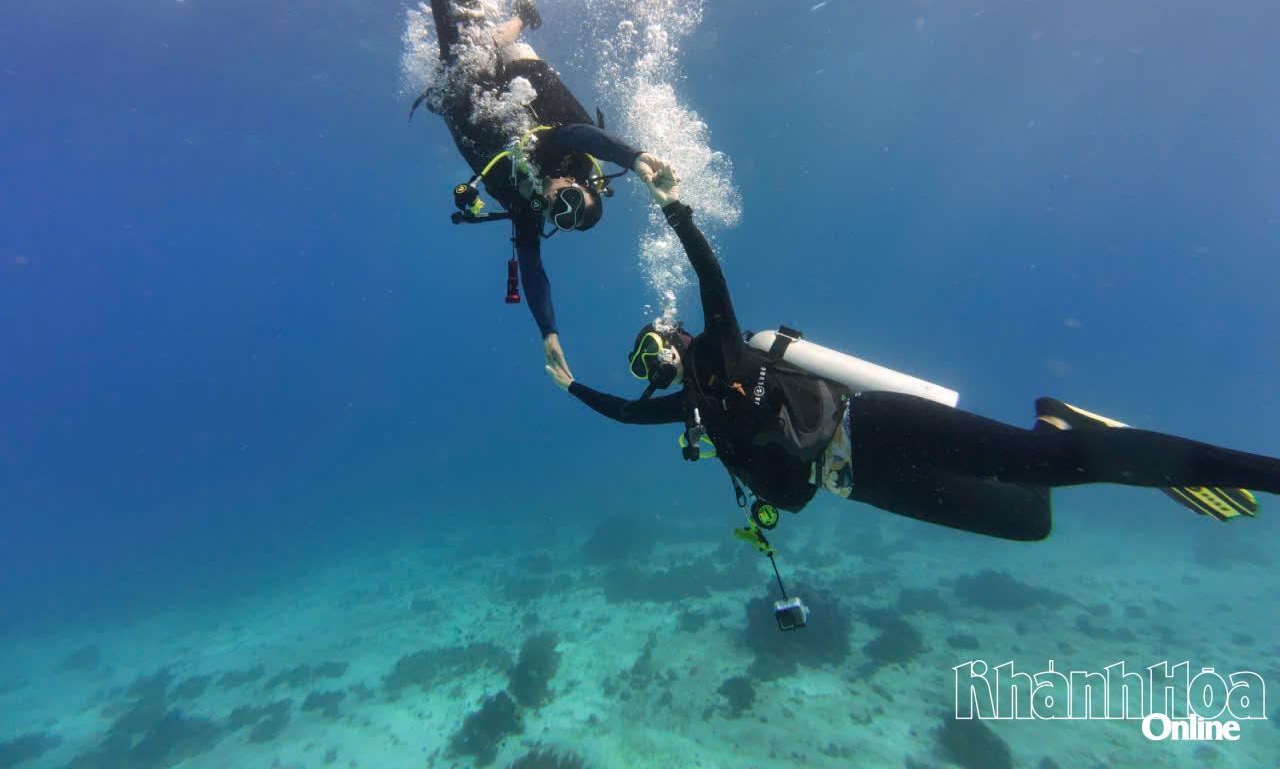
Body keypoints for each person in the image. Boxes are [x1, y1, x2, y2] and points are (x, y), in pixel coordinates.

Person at [545, 171, 1278, 541]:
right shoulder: (694, 410)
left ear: (675, 337)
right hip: (860, 484)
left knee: (1042, 468)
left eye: (650, 351)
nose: (653, 370)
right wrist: (574, 384)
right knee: (1028, 523)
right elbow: (621, 415)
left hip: (874, 429)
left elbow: (710, 279)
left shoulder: (725, 349)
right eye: (644, 367)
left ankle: (1259, 473)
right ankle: (1057, 421)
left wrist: (676, 211)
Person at [417, 0, 672, 377]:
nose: (552, 201)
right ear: (580, 183)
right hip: (490, 74)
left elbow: (533, 266)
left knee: (459, 10)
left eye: (560, 213)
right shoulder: (565, 153)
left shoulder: (533, 209)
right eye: (568, 199)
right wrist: (633, 156)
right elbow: (580, 132)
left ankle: (516, 23)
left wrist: (549, 332)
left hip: (466, 87)